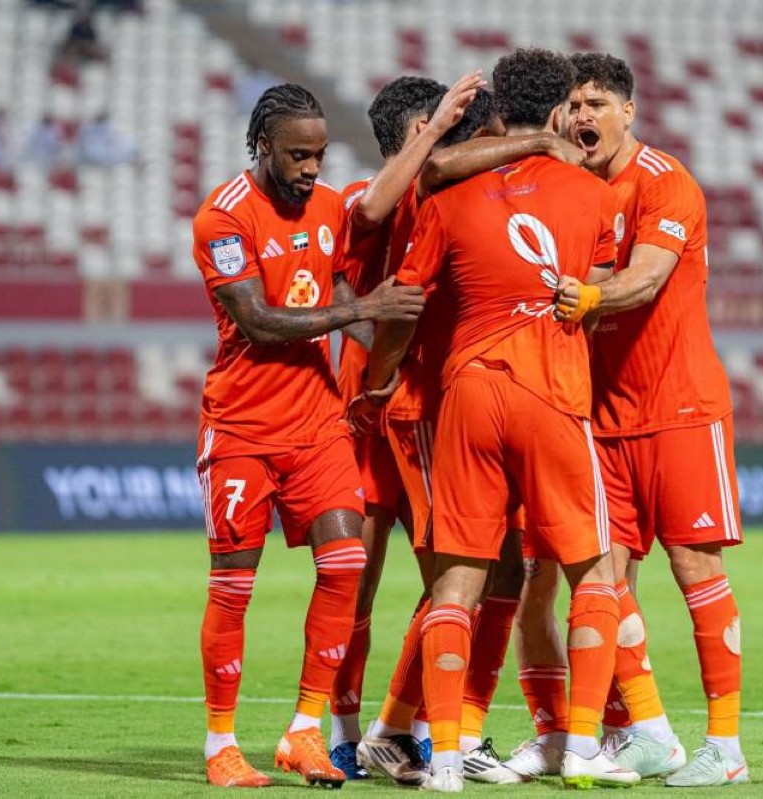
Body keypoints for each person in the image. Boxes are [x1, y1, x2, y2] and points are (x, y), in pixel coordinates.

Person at [362, 47, 637, 792]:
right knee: (593, 573)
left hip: (467, 395)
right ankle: (581, 745)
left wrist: (377, 378)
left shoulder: (447, 196)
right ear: (558, 111)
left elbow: (404, 303)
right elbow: (596, 292)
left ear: (495, 111)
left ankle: (447, 758)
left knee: (455, 582)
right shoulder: (592, 194)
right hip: (551, 390)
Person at [189, 82, 426, 789]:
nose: (312, 168)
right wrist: (365, 310)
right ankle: (221, 743)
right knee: (234, 587)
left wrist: (391, 355)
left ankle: (304, 731)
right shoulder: (222, 217)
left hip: (318, 423)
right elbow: (259, 321)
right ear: (263, 146)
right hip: (241, 427)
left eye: (319, 155)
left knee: (346, 565)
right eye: (298, 155)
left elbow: (343, 295)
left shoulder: (327, 210)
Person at [350, 85, 572, 787]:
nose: (499, 152)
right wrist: (539, 141)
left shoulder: (463, 194)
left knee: (497, 569)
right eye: (491, 138)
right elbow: (398, 289)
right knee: (452, 578)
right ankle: (398, 730)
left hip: (469, 405)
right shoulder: (421, 188)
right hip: (422, 403)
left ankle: (450, 728)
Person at [554, 52, 748, 787]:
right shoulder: (574, 191)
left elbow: (645, 278)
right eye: (574, 105)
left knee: (696, 567)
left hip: (681, 408)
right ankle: (649, 730)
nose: (583, 117)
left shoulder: (666, 182)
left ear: (628, 112)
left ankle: (725, 747)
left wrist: (584, 296)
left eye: (597, 104)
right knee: (603, 576)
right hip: (604, 416)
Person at [326, 72, 472, 779]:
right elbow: (344, 278)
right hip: (364, 409)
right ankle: (343, 728)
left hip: (427, 409)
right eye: (441, 127)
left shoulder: (450, 200)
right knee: (356, 577)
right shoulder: (365, 198)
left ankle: (407, 723)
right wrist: (378, 350)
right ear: (416, 132)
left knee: (450, 572)